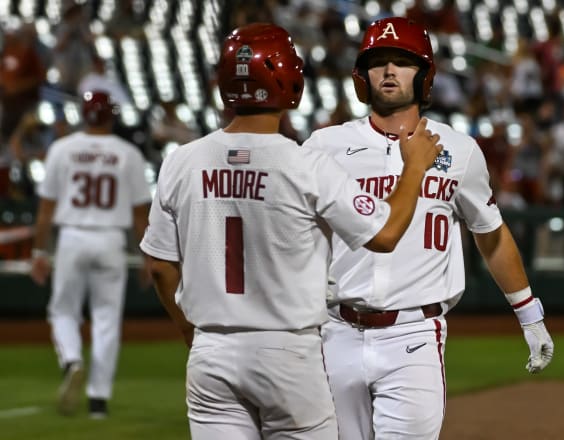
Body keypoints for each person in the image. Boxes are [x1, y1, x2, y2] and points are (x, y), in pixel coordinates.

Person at [139, 23, 442, 440]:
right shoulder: (306, 164)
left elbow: (159, 266)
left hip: (211, 350)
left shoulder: (181, 161)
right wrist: (414, 168)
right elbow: (386, 233)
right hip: (287, 352)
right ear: (289, 80)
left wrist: (192, 332)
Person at [302, 17, 555, 439]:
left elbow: (489, 233)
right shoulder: (324, 146)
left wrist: (530, 315)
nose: (388, 71)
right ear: (361, 77)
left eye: (402, 61)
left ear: (425, 76)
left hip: (414, 335)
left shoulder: (458, 150)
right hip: (335, 330)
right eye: (378, 61)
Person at [30, 90, 151, 419]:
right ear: (112, 115)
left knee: (63, 311)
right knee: (106, 321)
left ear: (83, 114)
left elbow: (45, 210)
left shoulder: (62, 149)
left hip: (71, 236)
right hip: (111, 239)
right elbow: (141, 215)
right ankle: (98, 401)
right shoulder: (129, 153)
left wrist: (40, 250)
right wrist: (147, 257)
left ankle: (71, 359)